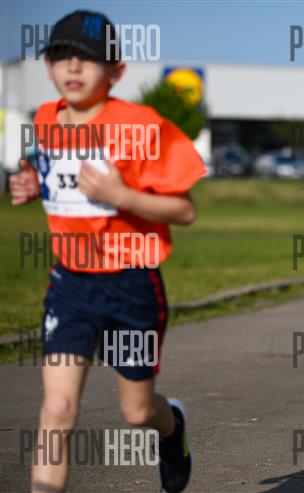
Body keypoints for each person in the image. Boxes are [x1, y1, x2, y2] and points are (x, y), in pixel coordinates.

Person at [8, 11, 203, 493]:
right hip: (70, 286)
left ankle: (172, 429)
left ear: (116, 71)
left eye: (88, 58)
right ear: (48, 66)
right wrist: (31, 181)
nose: (73, 66)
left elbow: (184, 210)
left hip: (130, 286)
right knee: (57, 409)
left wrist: (123, 196)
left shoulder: (141, 125)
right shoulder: (46, 119)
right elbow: (47, 167)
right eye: (61, 55)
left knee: (137, 412)